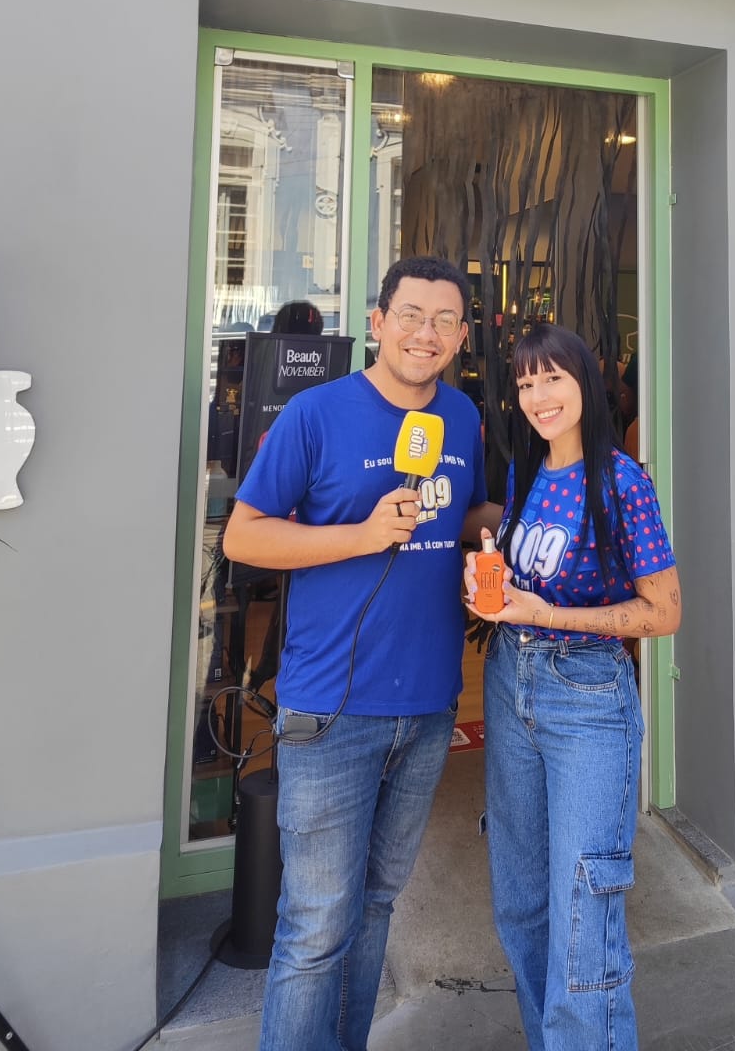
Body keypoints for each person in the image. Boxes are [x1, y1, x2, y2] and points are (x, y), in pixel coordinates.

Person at [223, 255, 500, 1051]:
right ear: (378, 323)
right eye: (411, 315)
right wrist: (363, 534)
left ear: (461, 336)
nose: (426, 333)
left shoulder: (461, 418)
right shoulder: (316, 414)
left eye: (444, 320)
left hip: (428, 707)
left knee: (377, 903)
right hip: (330, 712)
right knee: (316, 926)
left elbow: (462, 512)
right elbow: (244, 536)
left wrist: (521, 518)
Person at [464, 324, 681, 1051]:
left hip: (586, 697)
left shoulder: (621, 481)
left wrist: (544, 613)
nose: (538, 396)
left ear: (586, 382)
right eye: (526, 384)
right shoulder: (527, 475)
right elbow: (519, 572)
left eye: (552, 378)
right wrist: (490, 586)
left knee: (584, 913)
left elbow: (664, 613)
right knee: (522, 901)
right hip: (510, 682)